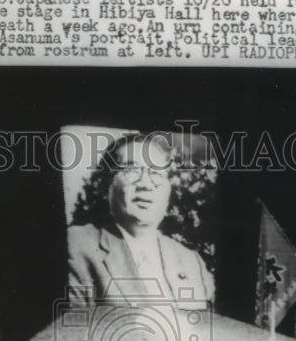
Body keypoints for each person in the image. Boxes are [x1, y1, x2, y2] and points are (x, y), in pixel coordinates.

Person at [67, 132, 214, 308]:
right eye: (131, 170)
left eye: (157, 173)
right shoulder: (76, 246)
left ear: (167, 190)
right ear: (107, 184)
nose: (145, 183)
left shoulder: (191, 261)